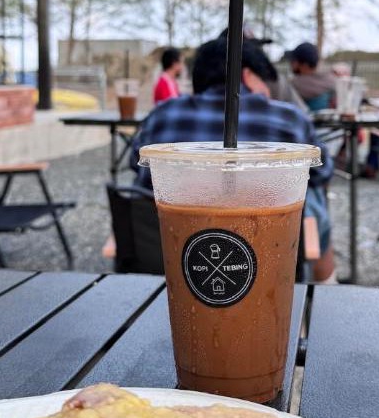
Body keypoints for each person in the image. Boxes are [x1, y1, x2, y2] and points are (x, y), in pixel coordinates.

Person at [132, 38, 336, 282]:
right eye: (266, 81)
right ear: (248, 75)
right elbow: (324, 172)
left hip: (167, 261)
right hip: (267, 264)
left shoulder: (161, 115)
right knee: (311, 197)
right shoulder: (289, 118)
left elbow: (137, 167)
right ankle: (325, 287)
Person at [286, 42, 335, 112]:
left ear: (305, 65)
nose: (291, 63)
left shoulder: (295, 84)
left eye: (293, 60)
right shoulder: (332, 80)